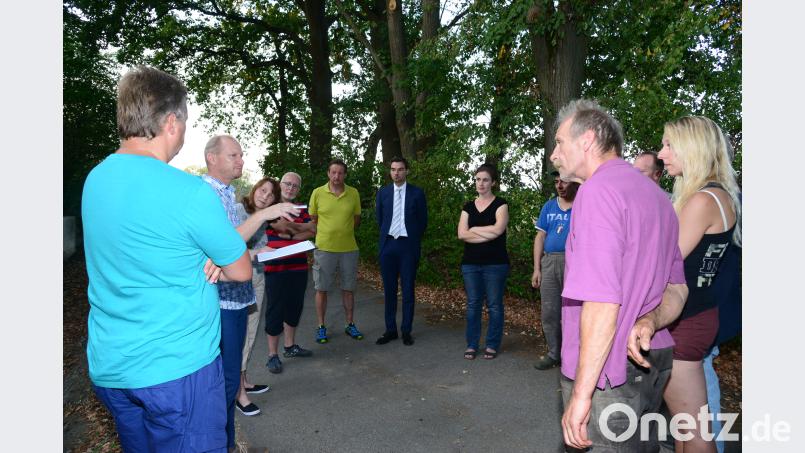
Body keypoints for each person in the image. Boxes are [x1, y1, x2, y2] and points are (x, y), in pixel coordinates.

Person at [82, 66, 252, 452]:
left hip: (112, 366)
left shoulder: (95, 180)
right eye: (185, 123)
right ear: (172, 122)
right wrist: (212, 260)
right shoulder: (189, 192)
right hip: (177, 371)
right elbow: (240, 269)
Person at [549, 99, 688, 452]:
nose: (554, 154)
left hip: (609, 372)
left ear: (587, 140)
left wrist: (582, 395)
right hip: (654, 355)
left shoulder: (597, 192)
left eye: (560, 142)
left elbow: (601, 300)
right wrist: (649, 321)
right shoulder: (659, 198)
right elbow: (677, 288)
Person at [202, 135, 299, 449]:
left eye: (241, 155)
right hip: (223, 299)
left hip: (238, 294)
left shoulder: (226, 192)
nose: (241, 161)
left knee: (231, 369)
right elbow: (226, 244)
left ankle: (226, 439)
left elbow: (230, 248)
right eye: (234, 155)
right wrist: (262, 219)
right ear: (212, 157)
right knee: (225, 374)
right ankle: (223, 441)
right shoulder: (206, 194)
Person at [657, 116, 741, 453]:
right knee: (684, 429)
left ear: (692, 148)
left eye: (669, 145)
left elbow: (663, 264)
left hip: (686, 321)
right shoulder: (718, 195)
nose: (661, 154)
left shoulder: (703, 201)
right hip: (697, 316)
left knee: (694, 433)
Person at [234, 177, 280, 416]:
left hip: (258, 278)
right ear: (255, 190)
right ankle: (238, 393)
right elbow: (230, 246)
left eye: (271, 195)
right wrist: (258, 251)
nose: (265, 196)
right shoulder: (238, 211)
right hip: (237, 281)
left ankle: (244, 381)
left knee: (251, 331)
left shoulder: (264, 218)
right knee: (239, 334)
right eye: (263, 190)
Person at [264, 172, 317, 374]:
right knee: (275, 309)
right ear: (280, 184)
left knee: (294, 307)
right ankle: (272, 355)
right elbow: (284, 227)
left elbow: (312, 231)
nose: (290, 188)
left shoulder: (301, 209)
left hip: (298, 267)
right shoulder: (271, 207)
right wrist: (298, 229)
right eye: (287, 184)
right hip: (275, 267)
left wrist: (290, 232)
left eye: (295, 186)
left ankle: (290, 346)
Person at [457, 163, 510, 360]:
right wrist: (487, 232)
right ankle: (472, 344)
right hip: (470, 264)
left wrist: (474, 230)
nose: (481, 183)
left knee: (494, 305)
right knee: (473, 305)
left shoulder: (501, 204)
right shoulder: (468, 207)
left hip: (496, 264)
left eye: (485, 180)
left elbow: (499, 230)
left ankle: (492, 344)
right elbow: (461, 234)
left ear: (493, 182)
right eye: (478, 179)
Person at [309, 159, 364, 343]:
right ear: (328, 173)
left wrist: (342, 231)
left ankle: (350, 324)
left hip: (349, 249)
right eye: (333, 172)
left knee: (348, 288)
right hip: (324, 249)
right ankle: (321, 326)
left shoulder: (353, 193)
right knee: (321, 289)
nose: (336, 176)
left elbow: (357, 219)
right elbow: (313, 219)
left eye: (340, 173)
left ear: (345, 175)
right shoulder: (317, 193)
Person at [375, 157, 428, 346]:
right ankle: (390, 330)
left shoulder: (417, 193)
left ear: (407, 171)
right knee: (389, 290)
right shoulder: (383, 193)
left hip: (407, 246)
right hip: (388, 245)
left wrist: (411, 238)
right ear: (390, 171)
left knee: (407, 290)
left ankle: (406, 330)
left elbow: (422, 221)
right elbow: (380, 219)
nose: (396, 173)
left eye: (400, 169)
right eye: (393, 169)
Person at [530, 170, 578, 370]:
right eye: (557, 182)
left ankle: (573, 357)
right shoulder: (549, 206)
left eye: (564, 182)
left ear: (574, 183)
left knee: (573, 313)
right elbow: (540, 237)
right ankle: (553, 354)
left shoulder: (583, 205)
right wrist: (537, 268)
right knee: (550, 312)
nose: (559, 186)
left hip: (574, 264)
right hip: (549, 262)